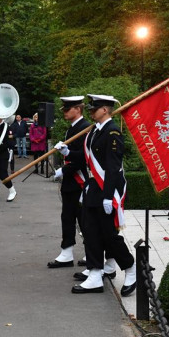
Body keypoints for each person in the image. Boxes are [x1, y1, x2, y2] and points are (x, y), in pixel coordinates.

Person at [58, 94, 136, 296]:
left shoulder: (112, 133)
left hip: (106, 188)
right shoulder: (95, 131)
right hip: (93, 186)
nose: (91, 111)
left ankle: (131, 268)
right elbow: (86, 159)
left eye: (95, 108)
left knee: (109, 235)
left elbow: (112, 167)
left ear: (105, 110)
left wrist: (109, 196)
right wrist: (68, 153)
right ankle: (94, 273)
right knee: (91, 233)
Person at [49, 96, 90, 268]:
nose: (65, 112)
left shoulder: (85, 128)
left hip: (79, 180)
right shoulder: (72, 129)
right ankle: (66, 252)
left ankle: (91, 253)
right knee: (67, 217)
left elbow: (83, 159)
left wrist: (63, 169)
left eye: (67, 109)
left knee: (84, 219)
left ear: (78, 109)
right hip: (70, 182)